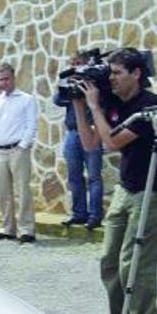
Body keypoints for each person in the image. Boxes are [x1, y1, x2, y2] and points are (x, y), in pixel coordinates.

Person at [72, 48, 157, 314]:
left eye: (117, 73)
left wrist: (95, 107)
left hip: (152, 190)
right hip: (126, 189)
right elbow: (90, 143)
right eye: (110, 72)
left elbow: (112, 143)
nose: (111, 79)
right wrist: (78, 103)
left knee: (135, 262)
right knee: (109, 261)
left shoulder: (150, 105)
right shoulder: (112, 102)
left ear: (136, 73)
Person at [0, 62, 39, 244]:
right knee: (3, 191)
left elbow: (31, 124)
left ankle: (27, 230)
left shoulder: (26, 99)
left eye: (6, 79)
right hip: (1, 150)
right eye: (0, 79)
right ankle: (7, 229)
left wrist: (23, 145)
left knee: (23, 190)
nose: (3, 82)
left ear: (13, 78)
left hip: (18, 149)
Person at [54, 52, 104, 230]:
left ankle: (95, 216)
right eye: (72, 63)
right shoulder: (70, 82)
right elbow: (57, 100)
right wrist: (67, 82)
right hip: (73, 133)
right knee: (74, 176)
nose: (75, 66)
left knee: (94, 176)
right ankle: (78, 214)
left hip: (92, 131)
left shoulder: (95, 83)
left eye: (78, 63)